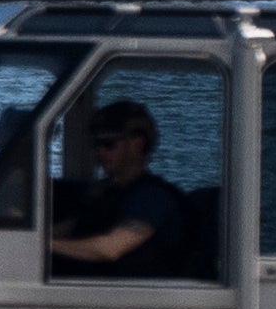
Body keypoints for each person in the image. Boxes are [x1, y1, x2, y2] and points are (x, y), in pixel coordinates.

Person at [47, 100, 210, 282]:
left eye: (108, 144)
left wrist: (41, 244)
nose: (100, 152)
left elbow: (109, 249)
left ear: (137, 144)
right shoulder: (105, 192)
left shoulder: (153, 198)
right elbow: (68, 227)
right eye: (96, 145)